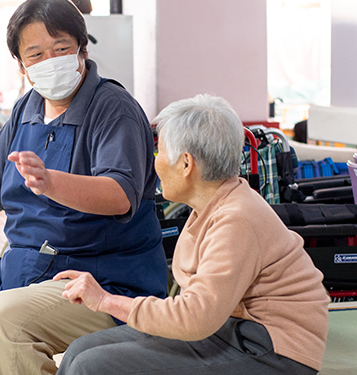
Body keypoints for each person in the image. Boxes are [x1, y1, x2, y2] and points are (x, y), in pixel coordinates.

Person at [0, 1, 167, 374]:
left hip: (102, 278)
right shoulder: (25, 110)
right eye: (36, 54)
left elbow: (119, 195)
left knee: (5, 319)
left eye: (61, 49)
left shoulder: (114, 109)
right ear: (21, 65)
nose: (51, 60)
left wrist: (50, 182)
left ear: (82, 49)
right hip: (29, 270)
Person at [54, 94, 331, 375]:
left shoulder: (236, 219)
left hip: (272, 350)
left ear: (186, 164)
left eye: (159, 152)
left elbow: (194, 317)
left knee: (93, 366)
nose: (155, 162)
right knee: (81, 350)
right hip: (228, 328)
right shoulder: (213, 204)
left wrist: (105, 301)